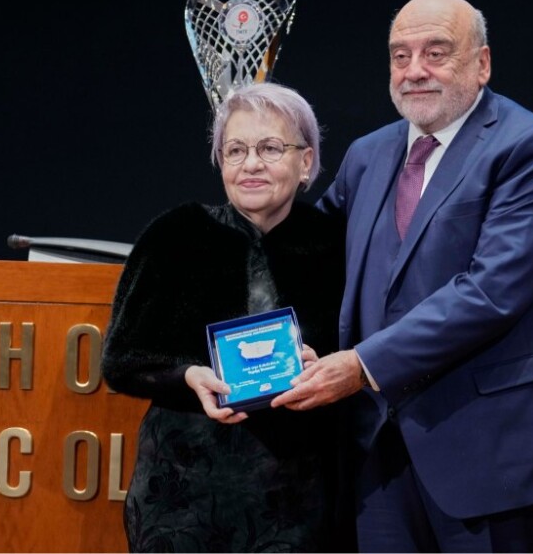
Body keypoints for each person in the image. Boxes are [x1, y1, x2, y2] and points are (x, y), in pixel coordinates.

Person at [271, 0, 533, 552]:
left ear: (482, 63)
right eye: (400, 56)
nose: (415, 70)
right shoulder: (368, 155)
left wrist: (363, 365)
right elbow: (313, 258)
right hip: (376, 449)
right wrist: (253, 200)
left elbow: (490, 292)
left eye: (436, 53)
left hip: (489, 450)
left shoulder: (532, 148)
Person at [101, 82, 353, 552]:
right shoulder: (175, 235)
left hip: (298, 496)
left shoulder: (338, 244)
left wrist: (326, 368)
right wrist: (188, 375)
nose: (251, 164)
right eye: (235, 150)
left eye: (270, 148)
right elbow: (121, 362)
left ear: (306, 162)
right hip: (183, 494)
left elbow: (364, 357)